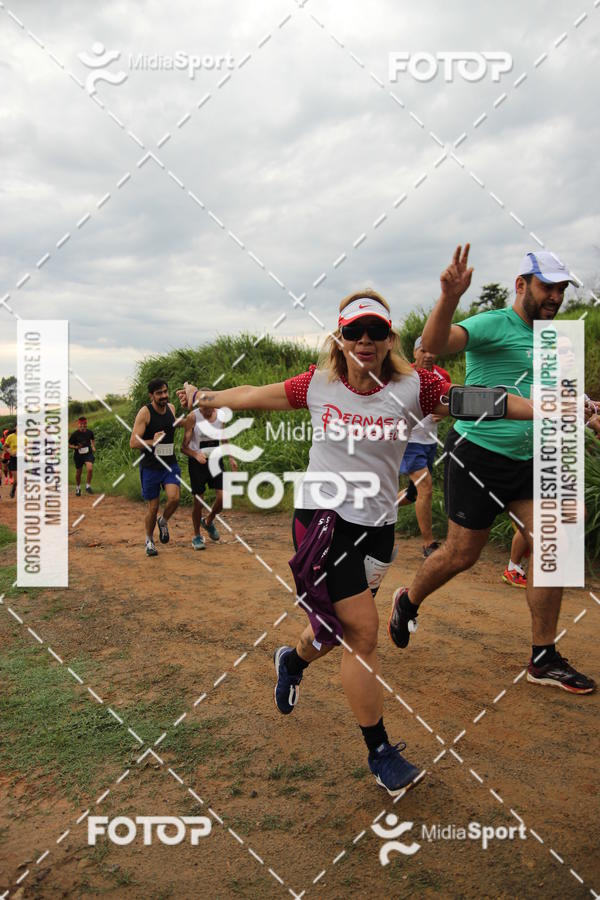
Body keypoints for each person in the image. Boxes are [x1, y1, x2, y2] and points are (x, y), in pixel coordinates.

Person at [177, 271, 532, 796]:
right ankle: (380, 753)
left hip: (378, 527)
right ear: (339, 339)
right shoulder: (317, 385)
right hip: (323, 522)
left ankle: (291, 659)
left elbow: (485, 402)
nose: (365, 341)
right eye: (354, 332)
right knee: (363, 634)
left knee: (333, 631)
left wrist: (554, 409)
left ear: (389, 339)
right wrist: (208, 396)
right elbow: (254, 393)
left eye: (375, 331)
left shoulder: (416, 387)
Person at [389, 247, 596, 694]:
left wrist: (587, 411)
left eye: (562, 289)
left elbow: (553, 397)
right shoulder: (494, 324)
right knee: (461, 556)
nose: (556, 296)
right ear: (522, 285)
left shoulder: (553, 338)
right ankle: (408, 600)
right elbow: (435, 345)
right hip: (477, 455)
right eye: (548, 287)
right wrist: (448, 297)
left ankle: (543, 656)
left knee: (552, 547)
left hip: (528, 460)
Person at [398, 335, 449, 557]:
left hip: (430, 441)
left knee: (412, 495)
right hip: (409, 442)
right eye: (423, 351)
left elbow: (448, 402)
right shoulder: (403, 376)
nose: (428, 355)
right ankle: (428, 544)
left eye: (431, 351)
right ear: (414, 353)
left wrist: (442, 415)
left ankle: (377, 510)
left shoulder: (442, 375)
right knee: (426, 488)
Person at [130, 378, 184, 557]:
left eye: (165, 392)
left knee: (174, 498)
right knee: (153, 507)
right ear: (151, 395)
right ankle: (149, 540)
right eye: (159, 393)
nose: (164, 396)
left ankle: (164, 521)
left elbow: (173, 424)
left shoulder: (171, 409)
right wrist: (152, 441)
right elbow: (133, 442)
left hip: (169, 463)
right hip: (151, 467)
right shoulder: (145, 413)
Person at [181, 398, 238, 550]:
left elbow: (223, 437)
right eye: (201, 408)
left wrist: (231, 457)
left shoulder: (220, 415)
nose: (204, 411)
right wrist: (195, 455)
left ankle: (208, 521)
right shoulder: (193, 417)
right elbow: (183, 447)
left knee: (223, 497)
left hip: (215, 460)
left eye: (207, 408)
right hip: (197, 463)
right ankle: (197, 536)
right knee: (198, 501)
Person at [68, 417, 96, 495]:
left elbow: (92, 440)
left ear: (86, 424)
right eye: (81, 424)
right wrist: (76, 447)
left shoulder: (89, 432)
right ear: (79, 424)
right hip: (78, 456)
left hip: (88, 454)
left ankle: (88, 486)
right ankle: (78, 487)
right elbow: (69, 445)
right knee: (78, 473)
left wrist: (93, 446)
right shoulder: (75, 434)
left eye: (84, 424)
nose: (83, 425)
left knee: (90, 469)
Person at [4, 426, 17, 498]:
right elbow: (5, 446)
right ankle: (13, 489)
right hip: (14, 459)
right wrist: (10, 452)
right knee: (16, 480)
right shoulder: (10, 437)